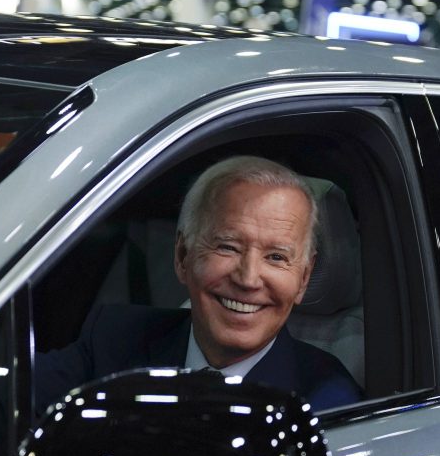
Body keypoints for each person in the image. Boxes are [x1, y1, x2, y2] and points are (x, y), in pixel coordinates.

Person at [37, 156, 362, 412]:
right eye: (228, 247)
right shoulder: (115, 340)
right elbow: (1, 403)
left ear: (304, 278)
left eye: (276, 257)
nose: (248, 279)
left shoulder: (327, 402)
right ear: (182, 256)